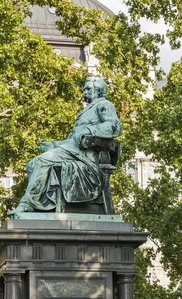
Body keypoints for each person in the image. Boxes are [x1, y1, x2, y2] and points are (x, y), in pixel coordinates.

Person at [9, 77, 122, 214]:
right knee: (32, 164)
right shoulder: (86, 111)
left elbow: (115, 127)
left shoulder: (104, 105)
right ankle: (41, 207)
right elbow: (73, 139)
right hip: (73, 152)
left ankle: (27, 204)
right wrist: (54, 145)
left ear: (98, 90)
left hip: (87, 158)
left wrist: (89, 131)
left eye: (88, 88)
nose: (84, 91)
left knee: (41, 161)